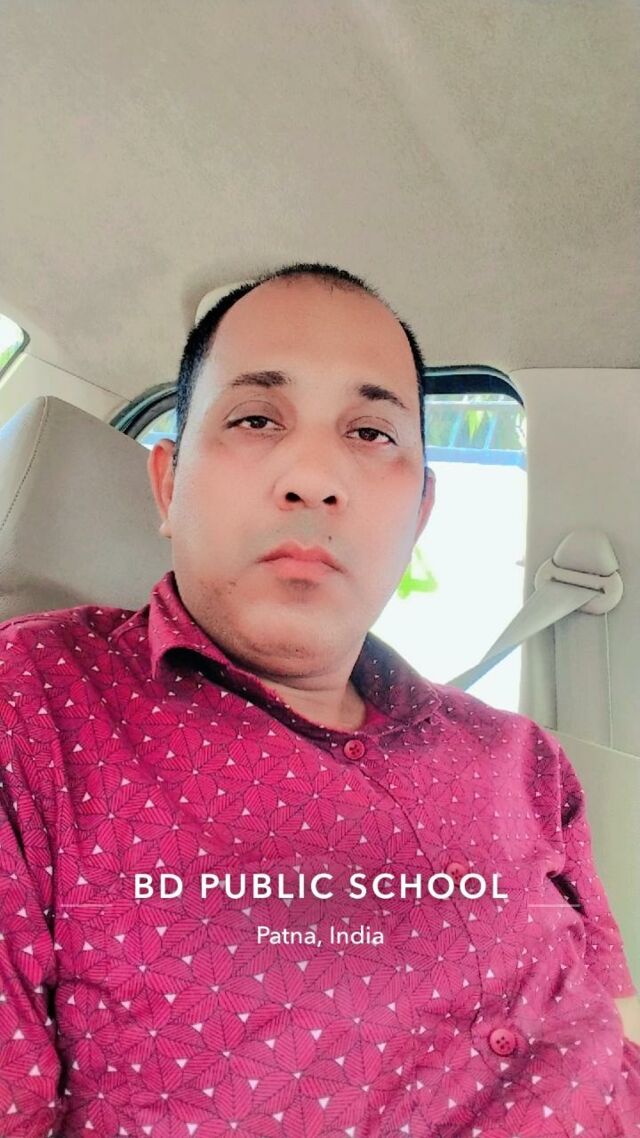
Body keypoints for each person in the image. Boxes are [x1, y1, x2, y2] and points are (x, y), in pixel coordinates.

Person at [0, 262, 638, 1138]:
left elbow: (614, 1022)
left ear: (420, 513)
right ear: (168, 486)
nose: (313, 479)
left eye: (371, 432)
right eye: (256, 419)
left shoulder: (526, 761)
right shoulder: (32, 706)